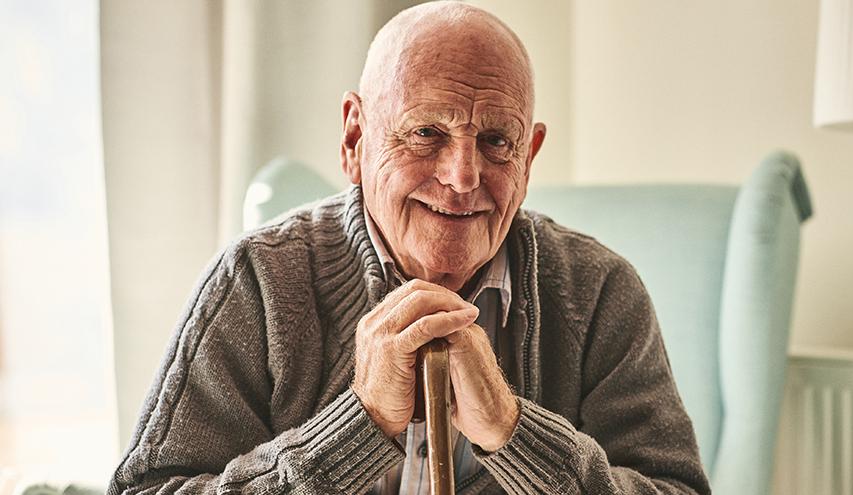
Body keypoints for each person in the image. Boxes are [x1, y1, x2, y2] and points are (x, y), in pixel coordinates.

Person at [108, 2, 710, 494]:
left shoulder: (600, 292)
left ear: (529, 158)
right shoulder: (257, 280)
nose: (463, 176)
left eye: (497, 140)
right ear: (355, 138)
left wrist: (514, 432)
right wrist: (357, 427)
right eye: (426, 133)